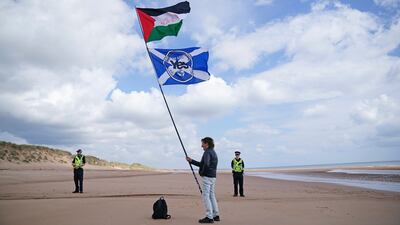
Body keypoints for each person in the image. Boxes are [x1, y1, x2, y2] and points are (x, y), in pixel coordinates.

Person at [186, 137, 220, 224]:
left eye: (203, 144)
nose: (201, 146)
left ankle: (209, 217)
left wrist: (202, 173)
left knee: (206, 196)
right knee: (211, 195)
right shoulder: (213, 152)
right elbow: (203, 164)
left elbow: (206, 165)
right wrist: (192, 161)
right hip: (213, 176)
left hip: (208, 177)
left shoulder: (207, 152)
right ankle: (216, 215)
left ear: (207, 144)